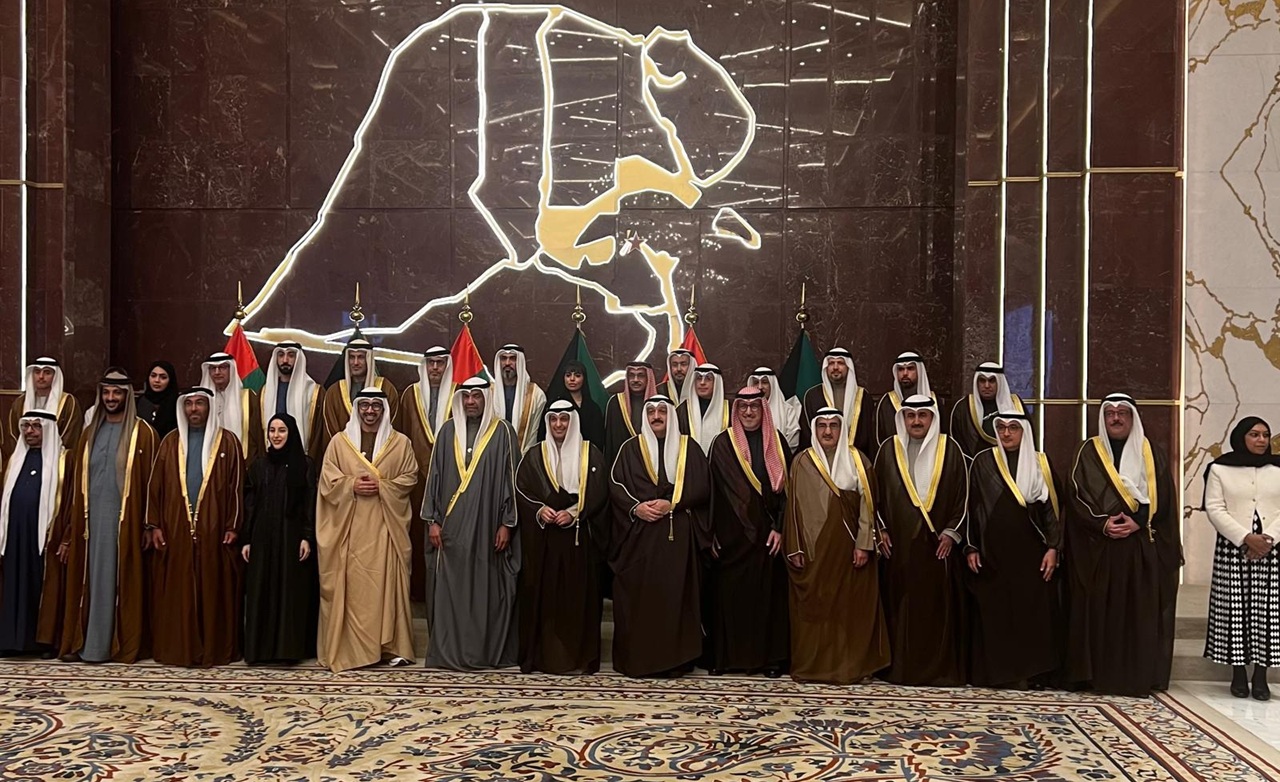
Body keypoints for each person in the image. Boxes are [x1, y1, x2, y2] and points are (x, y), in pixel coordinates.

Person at [1065, 393, 1180, 696]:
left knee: (1136, 614)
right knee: (1100, 612)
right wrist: (1102, 523)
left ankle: (1134, 677)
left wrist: (1139, 522)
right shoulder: (1088, 451)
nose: (1115, 418)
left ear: (1133, 418)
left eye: (1122, 413)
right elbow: (1075, 494)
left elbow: (1164, 498)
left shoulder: (1151, 453)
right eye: (1110, 413)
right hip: (1100, 548)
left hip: (1138, 548)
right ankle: (1098, 676)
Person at [48, 369, 158, 663]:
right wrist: (70, 531)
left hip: (127, 524)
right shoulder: (88, 434)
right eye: (106, 392)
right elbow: (75, 487)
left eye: (117, 392)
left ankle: (118, 645)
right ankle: (86, 643)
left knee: (120, 581)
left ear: (127, 396)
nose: (111, 398)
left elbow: (154, 484)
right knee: (89, 580)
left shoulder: (144, 434)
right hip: (89, 524)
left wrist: (149, 524)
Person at [608, 394, 712, 677]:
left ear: (671, 415)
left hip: (678, 538)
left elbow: (702, 486)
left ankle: (677, 660)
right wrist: (636, 508)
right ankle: (639, 659)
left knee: (676, 598)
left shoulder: (689, 448)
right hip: (640, 538)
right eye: (651, 411)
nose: (656, 416)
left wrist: (673, 504)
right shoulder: (630, 448)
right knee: (641, 599)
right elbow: (615, 485)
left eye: (662, 411)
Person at [422, 377, 520, 670]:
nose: (470, 402)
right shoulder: (447, 431)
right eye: (466, 397)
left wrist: (507, 523)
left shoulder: (503, 432)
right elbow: (434, 477)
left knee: (483, 592)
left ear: (486, 398)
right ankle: (449, 651)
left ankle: (481, 652)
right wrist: (432, 521)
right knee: (451, 591)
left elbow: (512, 480)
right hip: (449, 531)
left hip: (487, 529)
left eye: (476, 396)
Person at [785, 407, 889, 684]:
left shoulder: (858, 461)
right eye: (822, 426)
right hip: (813, 553)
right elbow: (792, 509)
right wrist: (794, 547)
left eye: (833, 425)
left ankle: (847, 667)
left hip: (848, 550)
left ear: (843, 429)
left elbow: (869, 507)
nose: (828, 431)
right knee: (815, 611)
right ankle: (814, 667)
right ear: (814, 429)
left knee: (847, 611)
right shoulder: (801, 461)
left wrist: (864, 545)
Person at [317, 387, 417, 672]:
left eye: (376, 405)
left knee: (387, 585)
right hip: (349, 531)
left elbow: (409, 477)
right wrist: (351, 485)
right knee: (352, 591)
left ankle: (390, 647)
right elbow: (327, 481)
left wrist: (382, 486)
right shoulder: (339, 443)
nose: (370, 411)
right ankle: (350, 648)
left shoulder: (401, 443)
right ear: (357, 408)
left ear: (384, 409)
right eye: (365, 405)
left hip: (386, 530)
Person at [874, 395, 969, 686]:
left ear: (932, 418)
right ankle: (900, 670)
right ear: (902, 418)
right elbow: (874, 496)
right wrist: (881, 530)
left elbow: (963, 497)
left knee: (934, 609)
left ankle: (937, 671)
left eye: (922, 415)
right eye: (910, 415)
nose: (916, 421)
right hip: (898, 548)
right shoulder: (888, 449)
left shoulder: (950, 449)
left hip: (937, 548)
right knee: (900, 609)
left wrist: (951, 533)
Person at [147, 387, 245, 667]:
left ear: (209, 407)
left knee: (213, 588)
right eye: (188, 404)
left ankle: (214, 649)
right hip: (175, 526)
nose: (193, 409)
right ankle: (179, 649)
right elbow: (155, 487)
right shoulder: (170, 442)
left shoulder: (228, 442)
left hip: (216, 529)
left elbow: (237, 487)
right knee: (179, 590)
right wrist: (154, 524)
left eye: (199, 403)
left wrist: (233, 525)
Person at [965, 411, 1061, 688]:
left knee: (1030, 614)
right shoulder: (984, 461)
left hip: (1031, 554)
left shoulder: (1040, 463)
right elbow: (972, 506)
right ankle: (998, 674)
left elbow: (1052, 511)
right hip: (992, 554)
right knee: (997, 614)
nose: (1006, 433)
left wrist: (1053, 547)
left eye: (1013, 428)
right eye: (1002, 428)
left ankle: (1031, 674)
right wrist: (971, 546)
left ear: (1025, 432)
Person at [514, 400, 609, 674]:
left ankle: (578, 657)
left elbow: (600, 493)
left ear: (573, 421)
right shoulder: (535, 455)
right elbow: (521, 490)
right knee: (545, 599)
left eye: (564, 419)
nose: (558, 424)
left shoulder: (590, 454)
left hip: (578, 541)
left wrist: (574, 513)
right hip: (544, 542)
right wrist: (540, 510)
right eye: (554, 419)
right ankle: (545, 657)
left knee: (577, 599)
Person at [705, 387, 791, 677]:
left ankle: (769, 660)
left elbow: (788, 493)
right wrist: (710, 532)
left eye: (755, 406)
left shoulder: (777, 442)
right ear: (736, 410)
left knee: (766, 600)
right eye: (743, 407)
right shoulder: (722, 443)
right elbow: (711, 492)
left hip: (767, 538)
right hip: (730, 537)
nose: (749, 412)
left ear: (763, 410)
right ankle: (727, 659)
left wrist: (780, 528)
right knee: (730, 599)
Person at [1202, 416, 1280, 701]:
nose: (1261, 440)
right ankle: (1237, 673)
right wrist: (1246, 537)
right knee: (1235, 609)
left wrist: (1268, 539)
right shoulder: (1220, 468)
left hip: (1272, 548)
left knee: (1267, 612)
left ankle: (1260, 676)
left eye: (1265, 435)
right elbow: (1214, 508)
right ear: (1240, 437)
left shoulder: (1278, 467)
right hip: (1233, 546)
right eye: (1254, 434)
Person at [241, 414, 318, 665]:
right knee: (262, 591)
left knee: (289, 592)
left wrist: (307, 536)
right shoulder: (258, 466)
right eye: (272, 430)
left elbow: (309, 503)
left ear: (291, 433)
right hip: (262, 539)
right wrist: (247, 539)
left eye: (281, 430)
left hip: (291, 538)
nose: (276, 435)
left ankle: (288, 651)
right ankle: (260, 650)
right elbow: (250, 505)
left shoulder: (304, 465)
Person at [0, 411, 68, 654]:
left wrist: (65, 537)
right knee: (14, 585)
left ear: (48, 429)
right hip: (16, 535)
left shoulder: (63, 461)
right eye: (26, 426)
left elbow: (68, 502)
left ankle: (43, 642)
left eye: (36, 427)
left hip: (46, 539)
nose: (29, 431)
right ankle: (12, 642)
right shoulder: (15, 460)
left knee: (41, 586)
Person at [396, 346, 454, 602]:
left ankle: (447, 595)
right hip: (416, 478)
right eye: (431, 363)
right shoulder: (410, 394)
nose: (435, 368)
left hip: (452, 478)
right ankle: (419, 594)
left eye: (440, 363)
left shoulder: (460, 394)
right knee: (416, 534)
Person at [322, 338, 401, 441]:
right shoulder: (334, 392)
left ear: (368, 359)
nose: (355, 363)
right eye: (352, 357)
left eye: (360, 357)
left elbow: (391, 427)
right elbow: (330, 429)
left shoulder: (386, 389)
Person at [800, 348, 876, 455]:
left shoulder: (863, 396)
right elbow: (806, 434)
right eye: (831, 363)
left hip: (856, 457)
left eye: (840, 363)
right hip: (822, 457)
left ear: (848, 367)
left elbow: (869, 435)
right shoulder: (812, 396)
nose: (835, 367)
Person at [5, 357, 82, 456]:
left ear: (55, 376)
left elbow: (70, 436)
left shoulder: (68, 402)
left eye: (47, 373)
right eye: (37, 372)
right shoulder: (20, 402)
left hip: (56, 457)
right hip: (23, 457)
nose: (41, 376)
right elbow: (13, 434)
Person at [260, 342, 324, 459]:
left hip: (302, 459)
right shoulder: (265, 392)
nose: (285, 360)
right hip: (272, 460)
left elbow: (319, 434)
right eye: (281, 355)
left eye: (291, 355)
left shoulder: (314, 392)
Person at [949, 363, 1026, 458]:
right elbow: (956, 444)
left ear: (999, 382)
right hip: (973, 463)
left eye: (992, 381)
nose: (987, 386)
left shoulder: (1015, 404)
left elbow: (1027, 438)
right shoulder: (964, 407)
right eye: (982, 381)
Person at [200, 352, 264, 464]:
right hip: (208, 462)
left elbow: (257, 435)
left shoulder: (248, 398)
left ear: (232, 370)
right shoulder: (200, 402)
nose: (217, 372)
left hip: (242, 462)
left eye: (223, 367)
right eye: (213, 368)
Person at [492, 344, 547, 454]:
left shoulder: (536, 395)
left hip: (523, 456)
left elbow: (533, 435)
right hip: (494, 456)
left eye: (513, 358)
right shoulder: (489, 393)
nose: (507, 363)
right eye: (504, 359)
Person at [875, 352, 940, 444]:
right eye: (901, 369)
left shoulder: (935, 401)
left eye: (910, 368)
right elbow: (877, 440)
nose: (905, 373)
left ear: (919, 371)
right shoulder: (885, 402)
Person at [603, 362, 657, 465]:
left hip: (651, 460)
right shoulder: (616, 402)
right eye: (631, 375)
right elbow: (609, 441)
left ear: (648, 378)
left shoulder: (659, 404)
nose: (635, 380)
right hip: (622, 463)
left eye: (641, 375)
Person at [543, 360, 605, 448]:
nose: (572, 379)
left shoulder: (593, 408)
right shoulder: (554, 405)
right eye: (568, 375)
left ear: (584, 379)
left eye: (577, 375)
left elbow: (598, 441)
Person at [676, 363, 728, 454]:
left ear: (717, 383)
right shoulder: (682, 410)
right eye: (699, 378)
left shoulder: (728, 410)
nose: (702, 383)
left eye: (708, 378)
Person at [747, 367, 802, 450]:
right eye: (756, 383)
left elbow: (792, 441)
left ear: (772, 385)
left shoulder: (787, 410)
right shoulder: (745, 412)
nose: (760, 387)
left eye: (765, 382)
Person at [135, 360, 180, 438]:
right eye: (153, 376)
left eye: (163, 377)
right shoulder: (140, 401)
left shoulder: (177, 403)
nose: (157, 380)